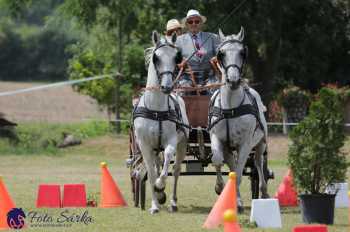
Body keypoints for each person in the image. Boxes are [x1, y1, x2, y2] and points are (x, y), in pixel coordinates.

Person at [176, 9, 220, 92]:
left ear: (201, 23)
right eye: (190, 22)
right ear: (186, 24)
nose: (194, 24)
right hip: (187, 78)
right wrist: (180, 63)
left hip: (210, 78)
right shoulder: (178, 41)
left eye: (197, 21)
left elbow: (221, 56)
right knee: (182, 94)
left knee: (217, 94)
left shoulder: (213, 37)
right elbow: (174, 60)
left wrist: (216, 58)